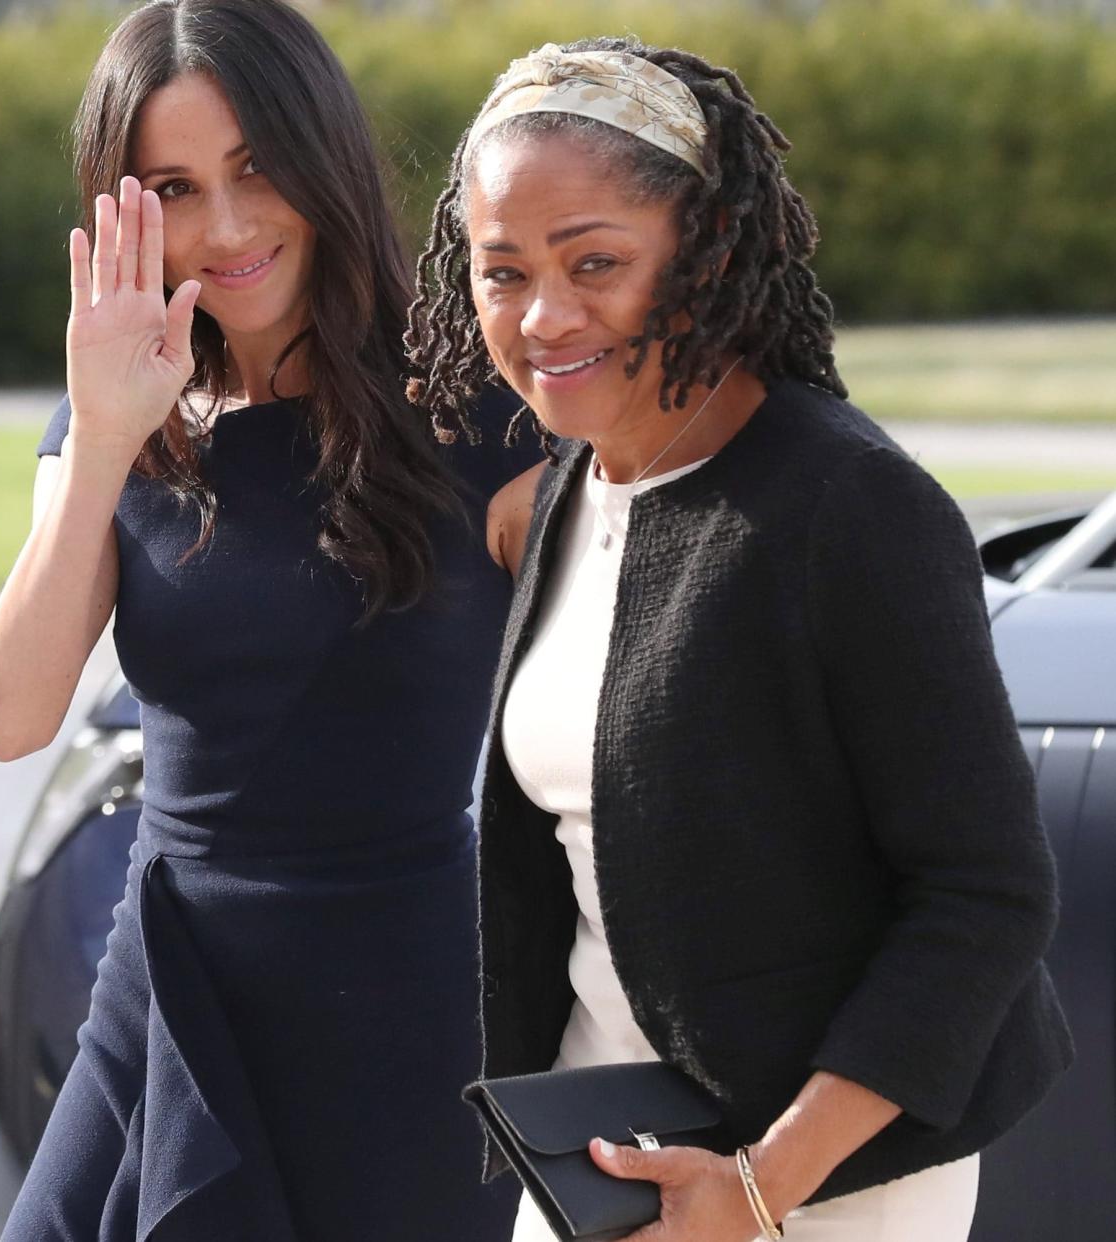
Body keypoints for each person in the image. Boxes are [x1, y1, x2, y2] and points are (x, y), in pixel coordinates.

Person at [406, 38, 1073, 1242]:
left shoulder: (850, 509)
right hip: (606, 1165)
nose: (544, 315)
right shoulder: (576, 483)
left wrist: (764, 1185)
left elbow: (986, 897)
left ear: (706, 252)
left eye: (595, 262)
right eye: (501, 273)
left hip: (824, 1181)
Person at [0, 2, 535, 1238]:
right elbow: (11, 719)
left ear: (324, 153)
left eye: (256, 168)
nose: (224, 228)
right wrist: (109, 437)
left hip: (408, 1016)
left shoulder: (484, 408)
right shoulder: (118, 418)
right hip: (171, 997)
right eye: (173, 187)